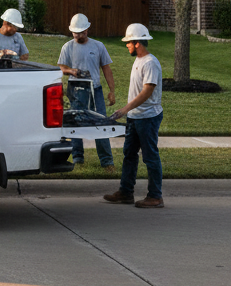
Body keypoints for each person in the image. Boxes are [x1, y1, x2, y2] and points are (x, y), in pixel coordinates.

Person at [103, 23, 164, 209]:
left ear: (137, 42)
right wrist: (129, 112)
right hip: (135, 117)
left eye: (129, 42)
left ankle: (155, 196)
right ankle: (126, 192)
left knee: (150, 156)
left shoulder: (150, 63)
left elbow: (147, 92)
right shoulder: (138, 60)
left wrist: (124, 109)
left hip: (148, 117)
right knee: (129, 154)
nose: (127, 45)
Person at [58, 13, 116, 172]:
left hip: (95, 89)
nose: (78, 36)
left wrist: (111, 91)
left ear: (87, 30)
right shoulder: (68, 47)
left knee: (100, 123)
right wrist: (71, 71)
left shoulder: (98, 46)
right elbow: (61, 68)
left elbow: (106, 68)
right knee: (76, 123)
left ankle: (107, 161)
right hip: (76, 89)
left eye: (81, 33)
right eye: (75, 33)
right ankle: (77, 157)